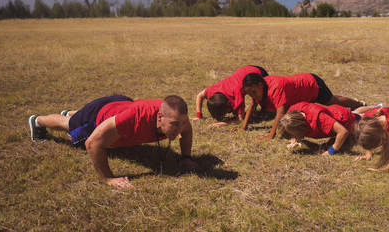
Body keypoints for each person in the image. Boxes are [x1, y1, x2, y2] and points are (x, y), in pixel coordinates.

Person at [29, 94, 197, 188]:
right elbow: (92, 144)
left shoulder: (178, 119)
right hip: (97, 117)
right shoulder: (135, 119)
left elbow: (187, 131)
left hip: (121, 105)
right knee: (69, 125)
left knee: (80, 118)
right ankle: (37, 121)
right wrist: (108, 179)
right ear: (159, 117)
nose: (179, 128)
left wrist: (186, 157)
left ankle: (73, 113)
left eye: (182, 123)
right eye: (174, 124)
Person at [240, 73, 366, 140]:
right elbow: (252, 105)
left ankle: (359, 104)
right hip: (303, 92)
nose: (252, 96)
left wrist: (270, 136)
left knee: (333, 102)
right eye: (249, 93)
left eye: (253, 92)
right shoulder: (260, 90)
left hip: (312, 85)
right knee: (333, 100)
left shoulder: (275, 88)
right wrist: (243, 128)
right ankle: (357, 105)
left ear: (261, 85)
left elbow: (280, 113)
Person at [277, 102, 370, 155]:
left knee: (364, 119)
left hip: (345, 120)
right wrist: (294, 140)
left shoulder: (319, 118)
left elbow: (343, 132)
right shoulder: (292, 112)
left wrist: (330, 152)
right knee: (356, 113)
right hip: (334, 111)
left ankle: (379, 110)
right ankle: (375, 108)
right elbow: (290, 126)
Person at [195, 65, 268, 129]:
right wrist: (198, 116)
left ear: (228, 104)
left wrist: (224, 124)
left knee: (266, 103)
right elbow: (199, 96)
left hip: (258, 72)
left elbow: (241, 119)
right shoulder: (212, 91)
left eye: (226, 112)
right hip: (245, 69)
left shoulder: (236, 96)